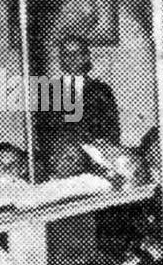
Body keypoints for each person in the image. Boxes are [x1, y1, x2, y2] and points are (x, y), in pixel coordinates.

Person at [35, 34, 121, 175]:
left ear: (86, 57)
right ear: (60, 59)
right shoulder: (49, 91)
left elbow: (112, 131)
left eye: (77, 53)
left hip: (95, 164)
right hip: (60, 164)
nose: (72, 58)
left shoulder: (101, 90)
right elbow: (42, 132)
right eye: (66, 54)